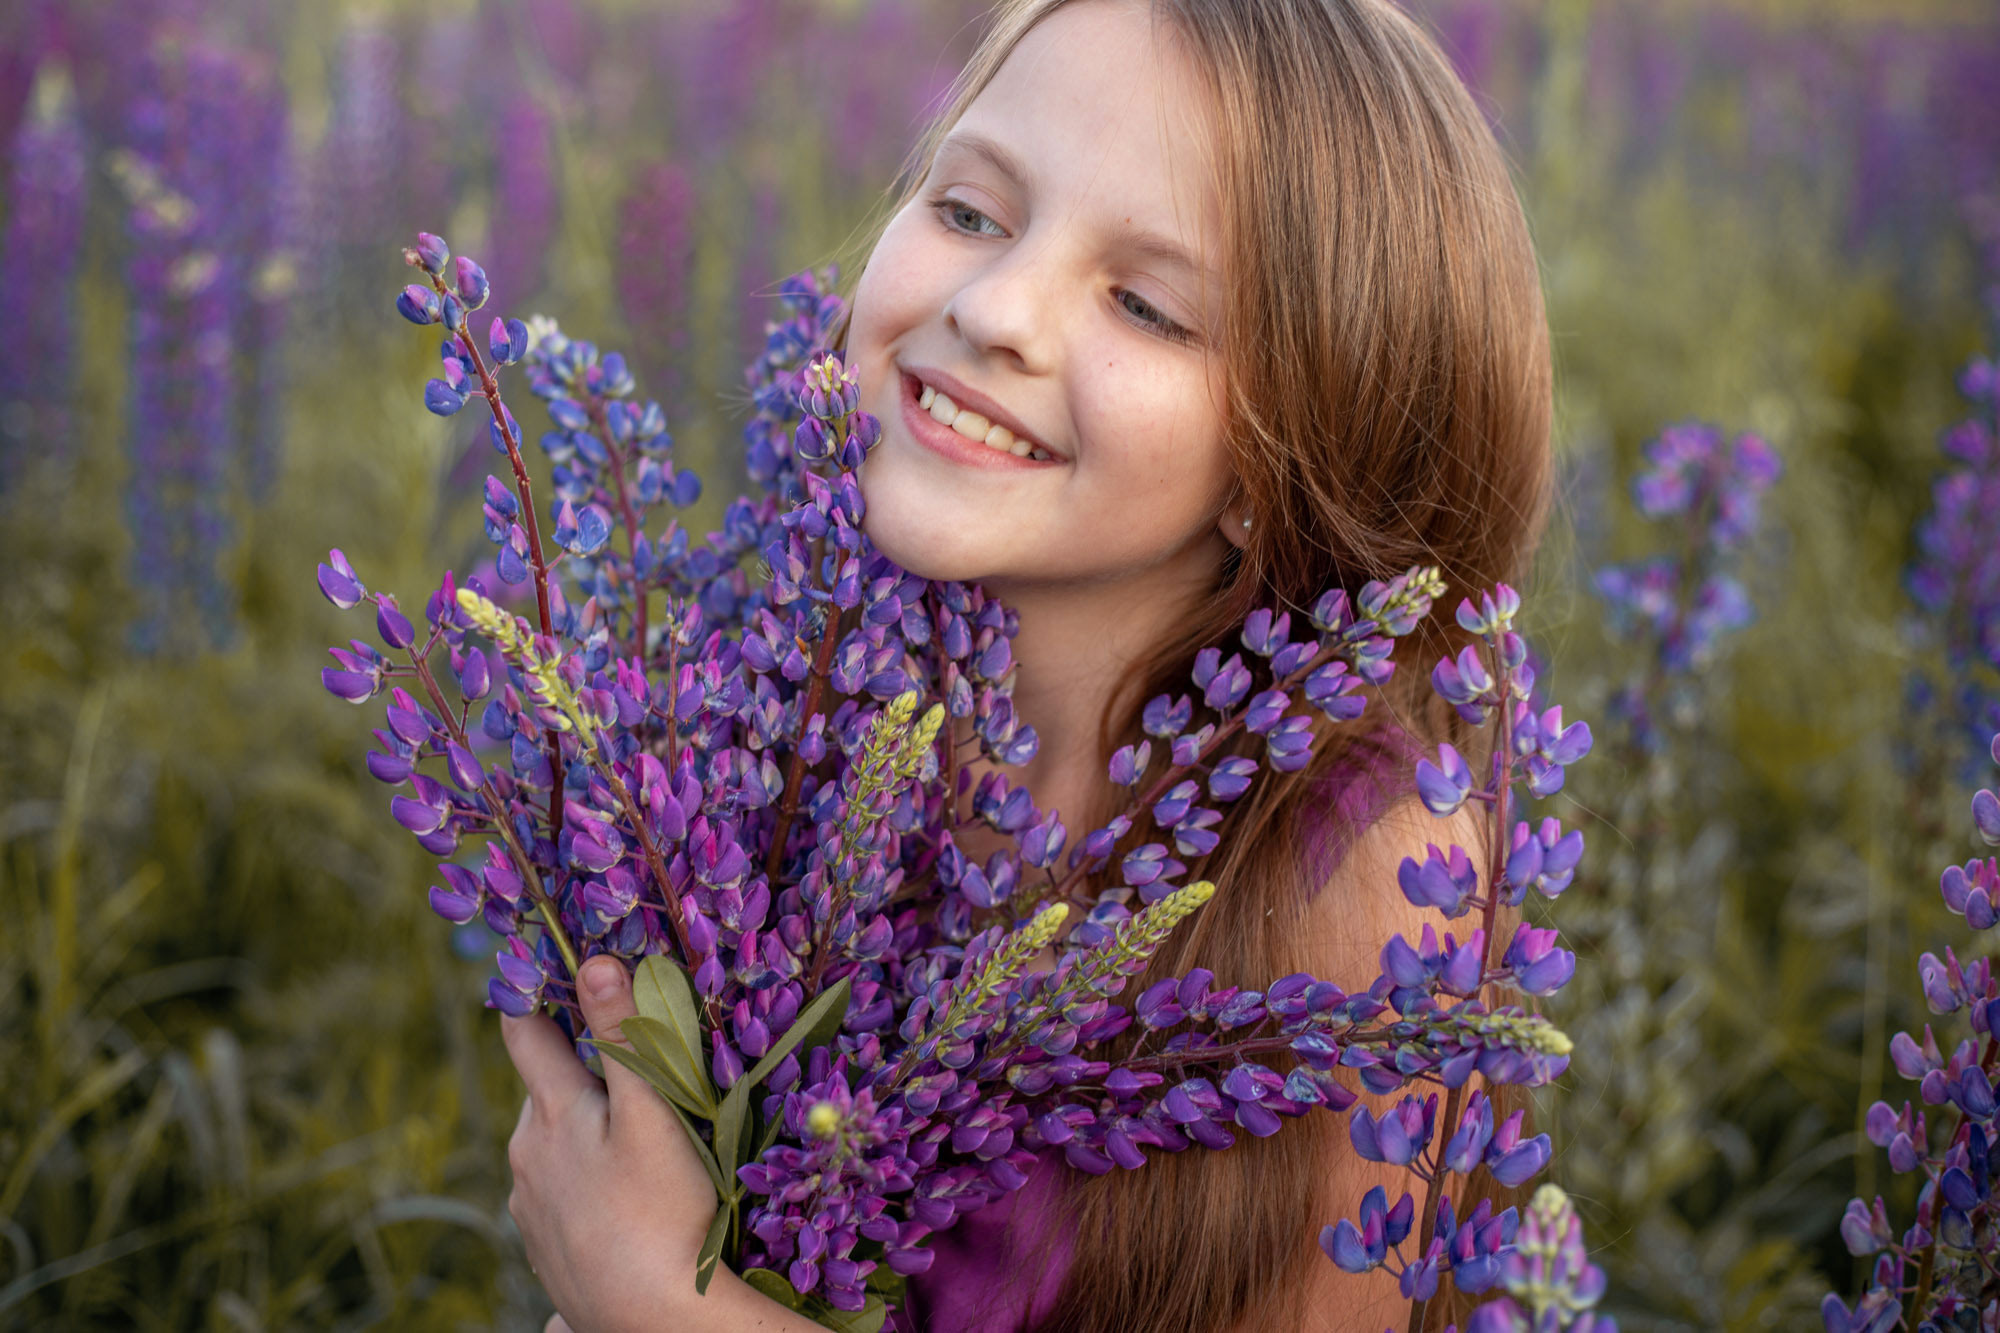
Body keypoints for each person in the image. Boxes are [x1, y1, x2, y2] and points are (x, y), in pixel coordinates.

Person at [498, 0, 1552, 1329]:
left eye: (1146, 305)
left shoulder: (1359, 865)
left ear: (1285, 463)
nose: (994, 308)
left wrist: (658, 1303)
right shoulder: (794, 704)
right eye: (970, 212)